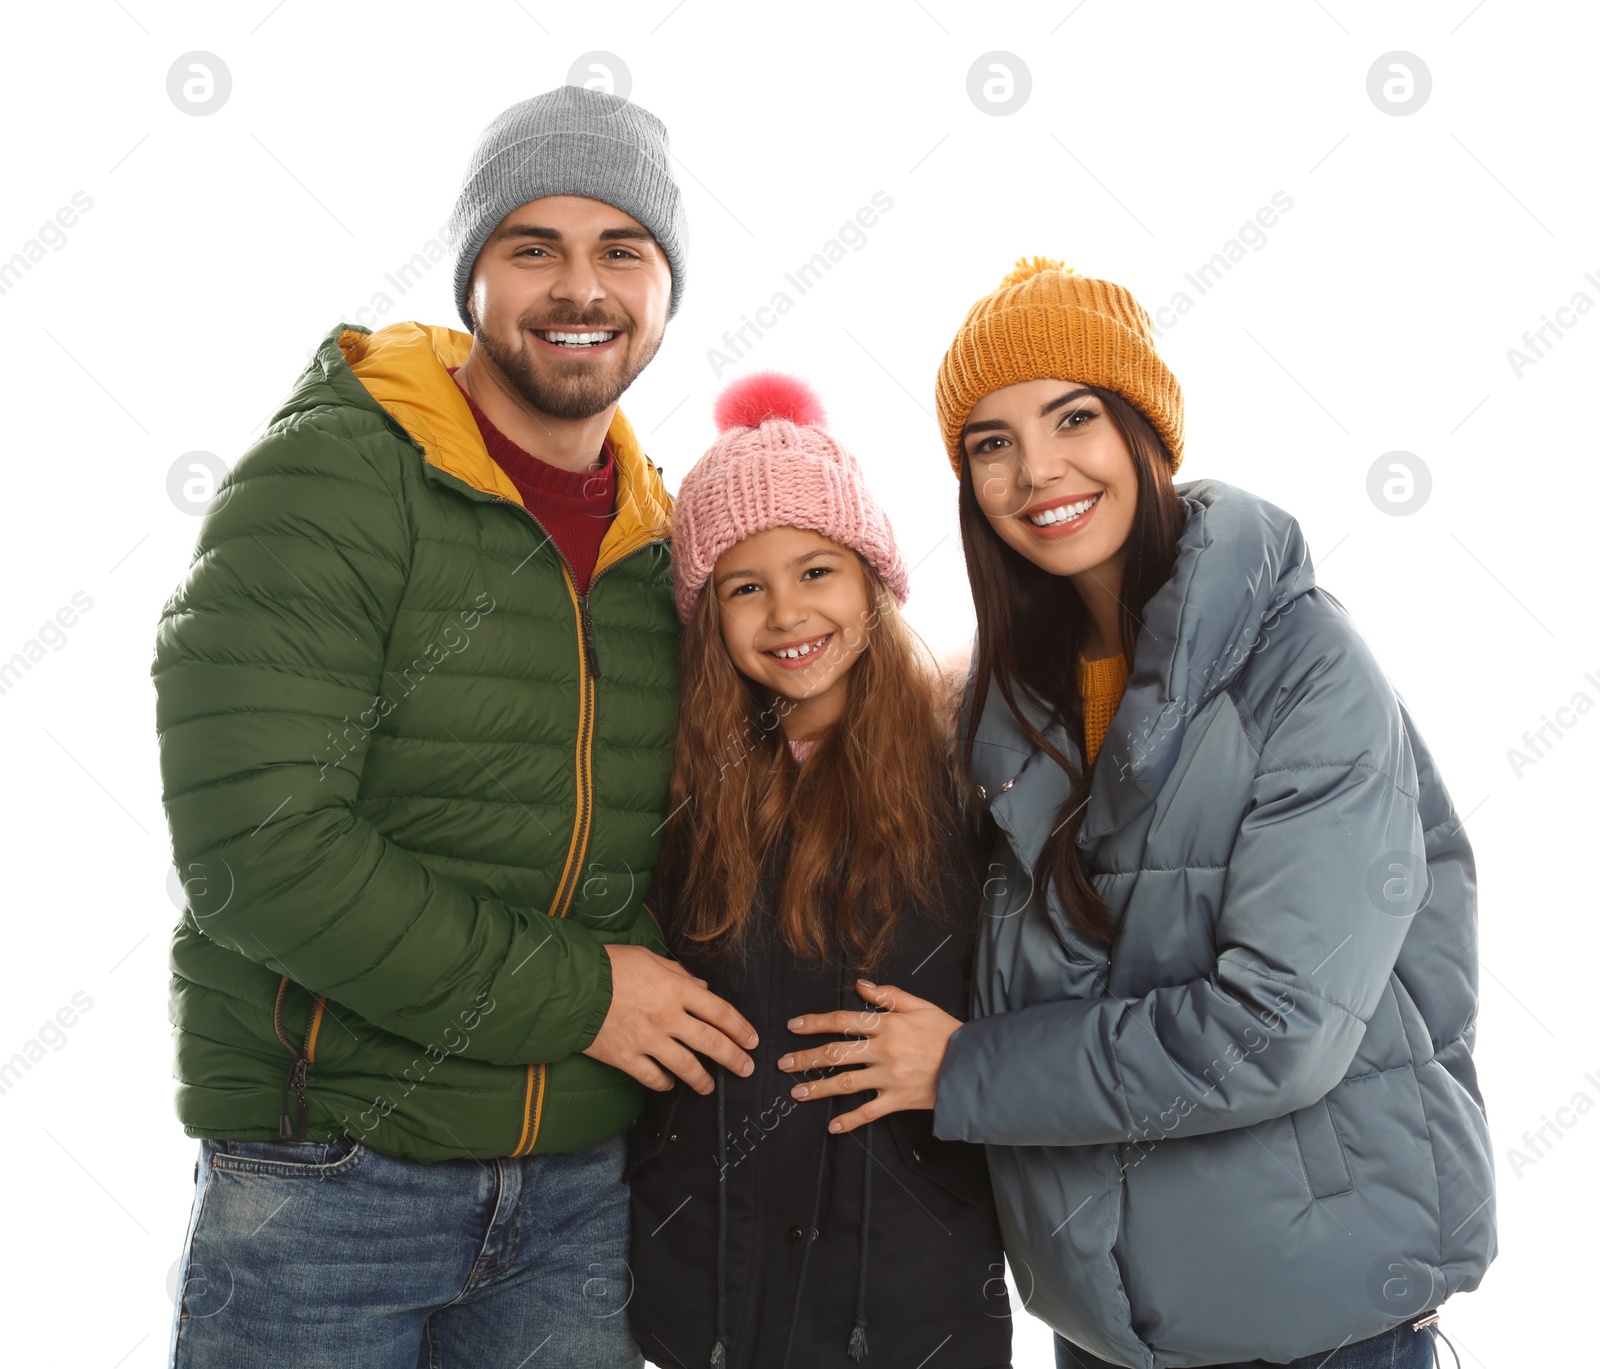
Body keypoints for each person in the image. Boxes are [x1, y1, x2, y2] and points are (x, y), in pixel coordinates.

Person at [776, 259, 1495, 1367]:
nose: (1037, 470)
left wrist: (963, 1070)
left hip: (1316, 1325)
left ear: (1144, 433)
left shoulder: (1302, 671)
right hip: (1111, 1324)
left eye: (1073, 418)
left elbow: (1277, 1033)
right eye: (991, 442)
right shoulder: (1012, 703)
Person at [154, 85, 759, 1369]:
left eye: (622, 249)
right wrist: (583, 996)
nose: (577, 287)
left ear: (667, 290)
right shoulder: (334, 478)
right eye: (532, 246)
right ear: (473, 278)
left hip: (576, 1199)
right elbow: (258, 851)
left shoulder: (664, 542)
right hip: (333, 1183)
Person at [626, 373, 1012, 1368]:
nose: (787, 612)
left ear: (871, 579)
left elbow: (1056, 968)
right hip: (709, 1291)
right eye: (744, 586)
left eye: (816, 571)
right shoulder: (685, 787)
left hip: (905, 1295)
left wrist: (970, 1059)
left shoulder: (962, 757)